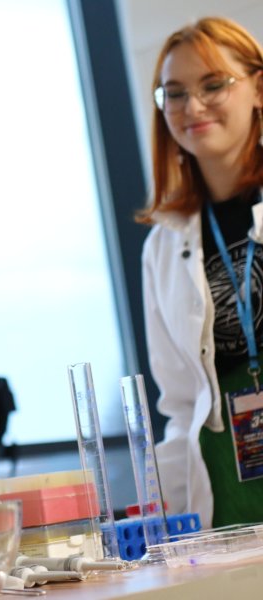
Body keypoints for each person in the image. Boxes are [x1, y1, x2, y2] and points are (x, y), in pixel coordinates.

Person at [139, 16, 263, 529]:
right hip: (228, 488)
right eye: (175, 93)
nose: (192, 107)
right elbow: (180, 404)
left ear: (258, 89)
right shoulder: (164, 245)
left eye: (214, 85)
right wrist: (168, 525)